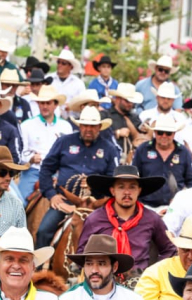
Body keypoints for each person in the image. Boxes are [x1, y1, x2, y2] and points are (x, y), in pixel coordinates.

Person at [36, 107, 119, 247]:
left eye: (92, 126)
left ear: (99, 127)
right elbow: (46, 168)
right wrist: (52, 195)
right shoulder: (64, 142)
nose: (88, 129)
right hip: (65, 202)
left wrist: (94, 184)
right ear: (80, 125)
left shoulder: (109, 148)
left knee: (114, 234)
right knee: (43, 231)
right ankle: (39, 268)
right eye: (85, 125)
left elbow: (113, 179)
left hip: (96, 204)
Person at [77, 165, 175, 272]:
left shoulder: (152, 219)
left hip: (139, 283)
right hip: (104, 280)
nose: (127, 192)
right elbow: (82, 253)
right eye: (121, 187)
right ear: (112, 191)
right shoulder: (94, 219)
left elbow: (169, 249)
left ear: (139, 190)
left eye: (132, 187)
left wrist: (153, 273)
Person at [18, 85, 71, 202]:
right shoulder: (26, 125)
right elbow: (20, 154)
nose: (45, 106)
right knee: (19, 203)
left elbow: (70, 155)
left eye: (48, 103)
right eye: (42, 103)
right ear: (38, 104)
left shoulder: (66, 127)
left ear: (55, 105)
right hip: (34, 171)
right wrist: (31, 158)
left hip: (58, 173)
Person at [132, 114, 192, 210]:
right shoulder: (142, 150)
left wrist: (183, 200)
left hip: (175, 207)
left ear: (174, 133)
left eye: (168, 133)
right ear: (154, 132)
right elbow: (134, 177)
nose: (164, 136)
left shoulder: (184, 152)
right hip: (146, 206)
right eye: (160, 132)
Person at [107, 83, 146, 149]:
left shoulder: (134, 117)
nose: (130, 104)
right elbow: (100, 136)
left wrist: (144, 130)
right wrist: (117, 133)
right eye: (127, 101)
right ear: (118, 99)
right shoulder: (106, 115)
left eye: (132, 101)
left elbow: (141, 137)